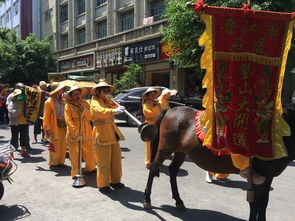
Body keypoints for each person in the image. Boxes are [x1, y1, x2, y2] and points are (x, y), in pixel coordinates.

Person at [90, 79, 125, 194]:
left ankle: (115, 181)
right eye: (104, 90)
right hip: (101, 133)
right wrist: (113, 110)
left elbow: (113, 108)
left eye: (108, 90)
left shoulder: (107, 101)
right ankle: (103, 185)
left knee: (116, 159)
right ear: (98, 91)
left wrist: (116, 104)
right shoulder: (94, 102)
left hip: (112, 132)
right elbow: (100, 111)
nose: (107, 92)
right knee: (103, 161)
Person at [64, 86, 96, 180]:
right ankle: (76, 173)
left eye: (78, 93)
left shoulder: (86, 103)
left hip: (87, 129)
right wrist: (74, 131)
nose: (77, 96)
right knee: (75, 153)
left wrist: (84, 111)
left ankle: (90, 168)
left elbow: (91, 117)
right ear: (71, 96)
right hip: (74, 130)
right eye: (74, 94)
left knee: (89, 150)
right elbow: (68, 120)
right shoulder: (68, 105)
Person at [43, 82, 67, 169]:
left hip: (63, 124)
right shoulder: (49, 102)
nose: (62, 90)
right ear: (56, 90)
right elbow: (46, 116)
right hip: (54, 125)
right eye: (60, 89)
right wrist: (47, 128)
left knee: (63, 144)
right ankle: (54, 163)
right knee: (55, 144)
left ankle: (61, 162)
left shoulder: (64, 100)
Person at [142, 87, 161, 169]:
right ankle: (148, 162)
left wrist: (158, 105)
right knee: (149, 145)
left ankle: (155, 160)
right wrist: (157, 112)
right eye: (151, 94)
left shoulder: (157, 104)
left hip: (157, 125)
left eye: (154, 94)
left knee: (157, 144)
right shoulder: (146, 104)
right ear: (148, 95)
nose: (153, 96)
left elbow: (162, 112)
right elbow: (148, 114)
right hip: (149, 125)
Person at [7, 89, 30, 157]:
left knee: (24, 138)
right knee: (14, 138)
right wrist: (20, 110)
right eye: (18, 95)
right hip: (15, 123)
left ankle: (23, 151)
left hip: (24, 123)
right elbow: (12, 113)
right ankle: (11, 153)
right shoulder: (11, 103)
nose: (19, 96)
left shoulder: (24, 103)